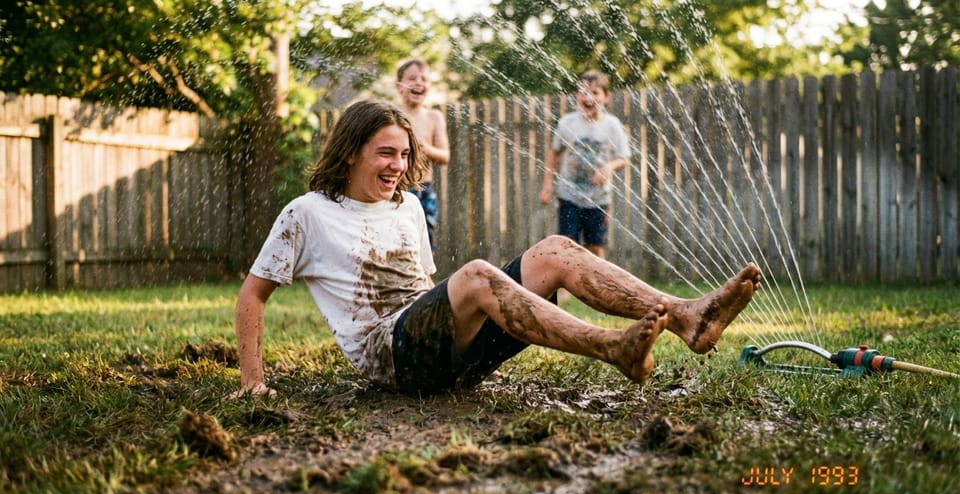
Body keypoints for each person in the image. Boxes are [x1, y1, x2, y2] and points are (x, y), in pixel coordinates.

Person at [231, 99, 761, 399]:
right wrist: (253, 383)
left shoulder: (408, 208)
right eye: (384, 153)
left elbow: (426, 291)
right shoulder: (307, 213)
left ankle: (689, 316)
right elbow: (253, 295)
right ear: (349, 154)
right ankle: (611, 347)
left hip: (452, 355)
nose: (397, 166)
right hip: (391, 358)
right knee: (480, 275)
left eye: (404, 154)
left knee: (554, 248)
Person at [540, 70, 630, 260]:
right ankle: (563, 290)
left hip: (599, 198)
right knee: (566, 247)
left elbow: (623, 157)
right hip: (569, 196)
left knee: (595, 248)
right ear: (577, 96)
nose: (588, 97)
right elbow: (553, 154)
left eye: (595, 92)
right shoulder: (567, 123)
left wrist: (608, 167)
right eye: (583, 92)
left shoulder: (612, 125)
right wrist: (547, 185)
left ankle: (597, 288)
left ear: (606, 96)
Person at [395, 58, 449, 249]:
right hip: (396, 188)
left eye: (424, 79)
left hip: (423, 189)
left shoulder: (434, 117)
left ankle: (424, 277)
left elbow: (445, 156)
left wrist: (425, 148)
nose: (419, 83)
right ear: (399, 86)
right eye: (412, 78)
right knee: (396, 240)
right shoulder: (392, 114)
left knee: (425, 241)